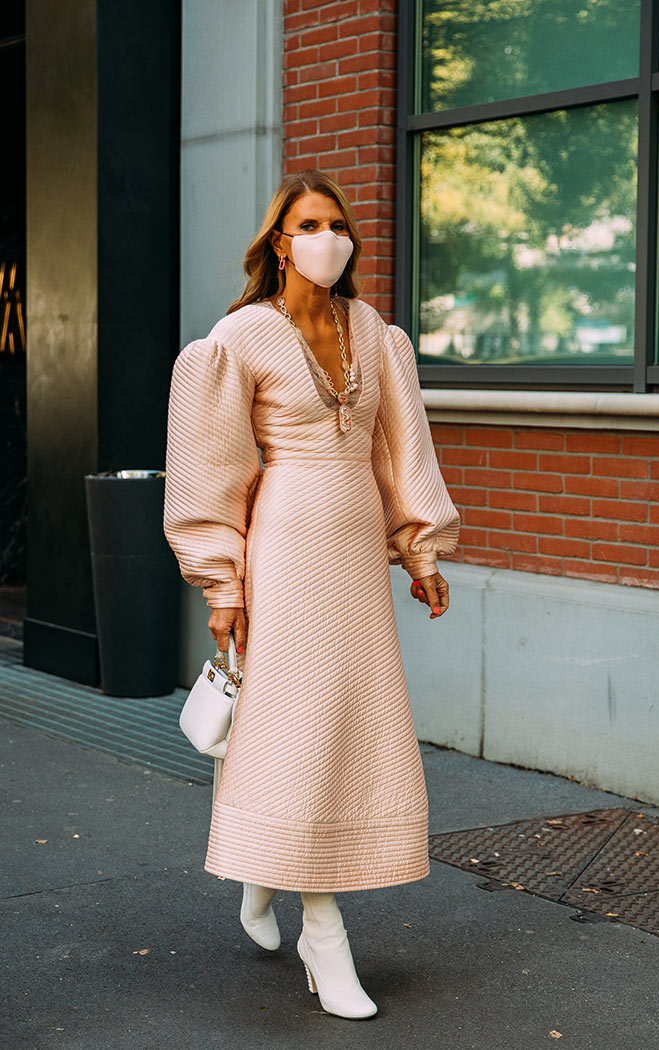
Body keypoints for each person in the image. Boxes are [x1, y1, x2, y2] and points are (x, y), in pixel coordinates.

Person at [163, 169, 460, 1020]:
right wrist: (223, 583)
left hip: (354, 554)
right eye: (309, 224)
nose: (329, 237)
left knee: (343, 721)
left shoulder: (374, 332)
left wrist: (421, 552)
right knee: (292, 725)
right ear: (279, 242)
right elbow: (210, 472)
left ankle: (263, 875)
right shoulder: (240, 339)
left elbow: (404, 451)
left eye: (338, 224)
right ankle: (321, 933)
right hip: (284, 550)